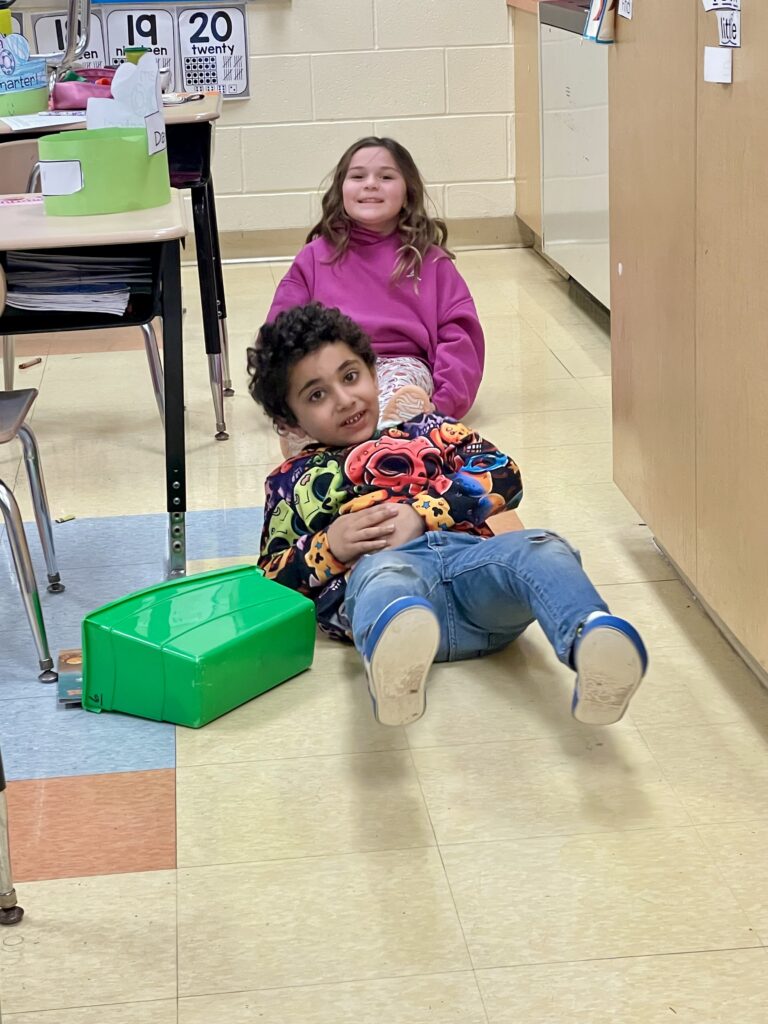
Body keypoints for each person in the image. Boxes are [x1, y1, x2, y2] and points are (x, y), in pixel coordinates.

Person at [248, 303, 647, 729]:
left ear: (373, 371)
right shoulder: (291, 481)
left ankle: (590, 638)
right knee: (382, 576)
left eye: (350, 376)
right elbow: (270, 578)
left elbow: (503, 473)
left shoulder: (429, 428)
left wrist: (422, 515)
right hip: (390, 586)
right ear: (290, 421)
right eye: (317, 395)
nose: (345, 400)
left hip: (477, 577)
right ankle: (394, 668)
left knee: (541, 548)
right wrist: (329, 546)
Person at [266, 136, 484, 453]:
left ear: (408, 193)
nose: (371, 184)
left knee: (396, 395)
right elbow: (282, 329)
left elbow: (460, 336)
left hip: (401, 363)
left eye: (386, 177)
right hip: (334, 365)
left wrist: (443, 403)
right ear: (341, 190)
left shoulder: (430, 260)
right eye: (358, 176)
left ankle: (390, 434)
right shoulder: (314, 257)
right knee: (330, 393)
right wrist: (282, 396)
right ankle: (311, 432)